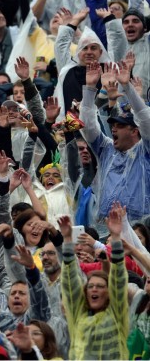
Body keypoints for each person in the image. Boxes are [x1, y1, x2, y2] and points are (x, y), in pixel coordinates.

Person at [81, 60, 150, 223]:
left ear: (135, 130)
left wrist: (127, 87)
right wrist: (90, 89)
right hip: (107, 228)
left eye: (120, 125)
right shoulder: (106, 149)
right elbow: (87, 126)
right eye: (113, 125)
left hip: (140, 229)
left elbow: (145, 119)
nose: (113, 129)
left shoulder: (145, 150)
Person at [58, 204, 128, 359]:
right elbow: (70, 283)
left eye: (100, 286)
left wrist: (116, 238)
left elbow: (118, 280)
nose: (94, 289)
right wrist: (68, 240)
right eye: (90, 287)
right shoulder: (78, 316)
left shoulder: (116, 313)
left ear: (109, 292)